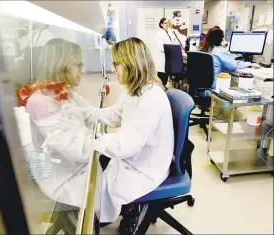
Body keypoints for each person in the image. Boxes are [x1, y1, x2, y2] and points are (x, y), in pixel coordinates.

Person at [65, 37, 174, 234]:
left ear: (132, 64)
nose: (114, 69)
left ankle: (137, 206)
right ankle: (127, 207)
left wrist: (88, 140)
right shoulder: (136, 92)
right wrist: (79, 107)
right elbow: (113, 115)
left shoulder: (151, 99)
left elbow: (126, 146)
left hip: (147, 166)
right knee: (102, 179)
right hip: (137, 156)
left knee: (101, 191)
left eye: (117, 64)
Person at [17, 38, 92, 210]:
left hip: (72, 165)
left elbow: (89, 115)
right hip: (61, 180)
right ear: (61, 65)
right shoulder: (42, 102)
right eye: (79, 65)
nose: (84, 71)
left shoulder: (65, 92)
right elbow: (78, 151)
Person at [153, 18, 175, 86]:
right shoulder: (159, 34)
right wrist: (171, 48)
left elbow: (172, 43)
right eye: (165, 23)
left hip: (168, 60)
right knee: (162, 80)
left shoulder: (169, 33)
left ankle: (163, 92)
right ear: (161, 24)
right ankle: (160, 93)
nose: (167, 24)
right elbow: (161, 47)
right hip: (162, 61)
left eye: (168, 23)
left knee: (165, 79)